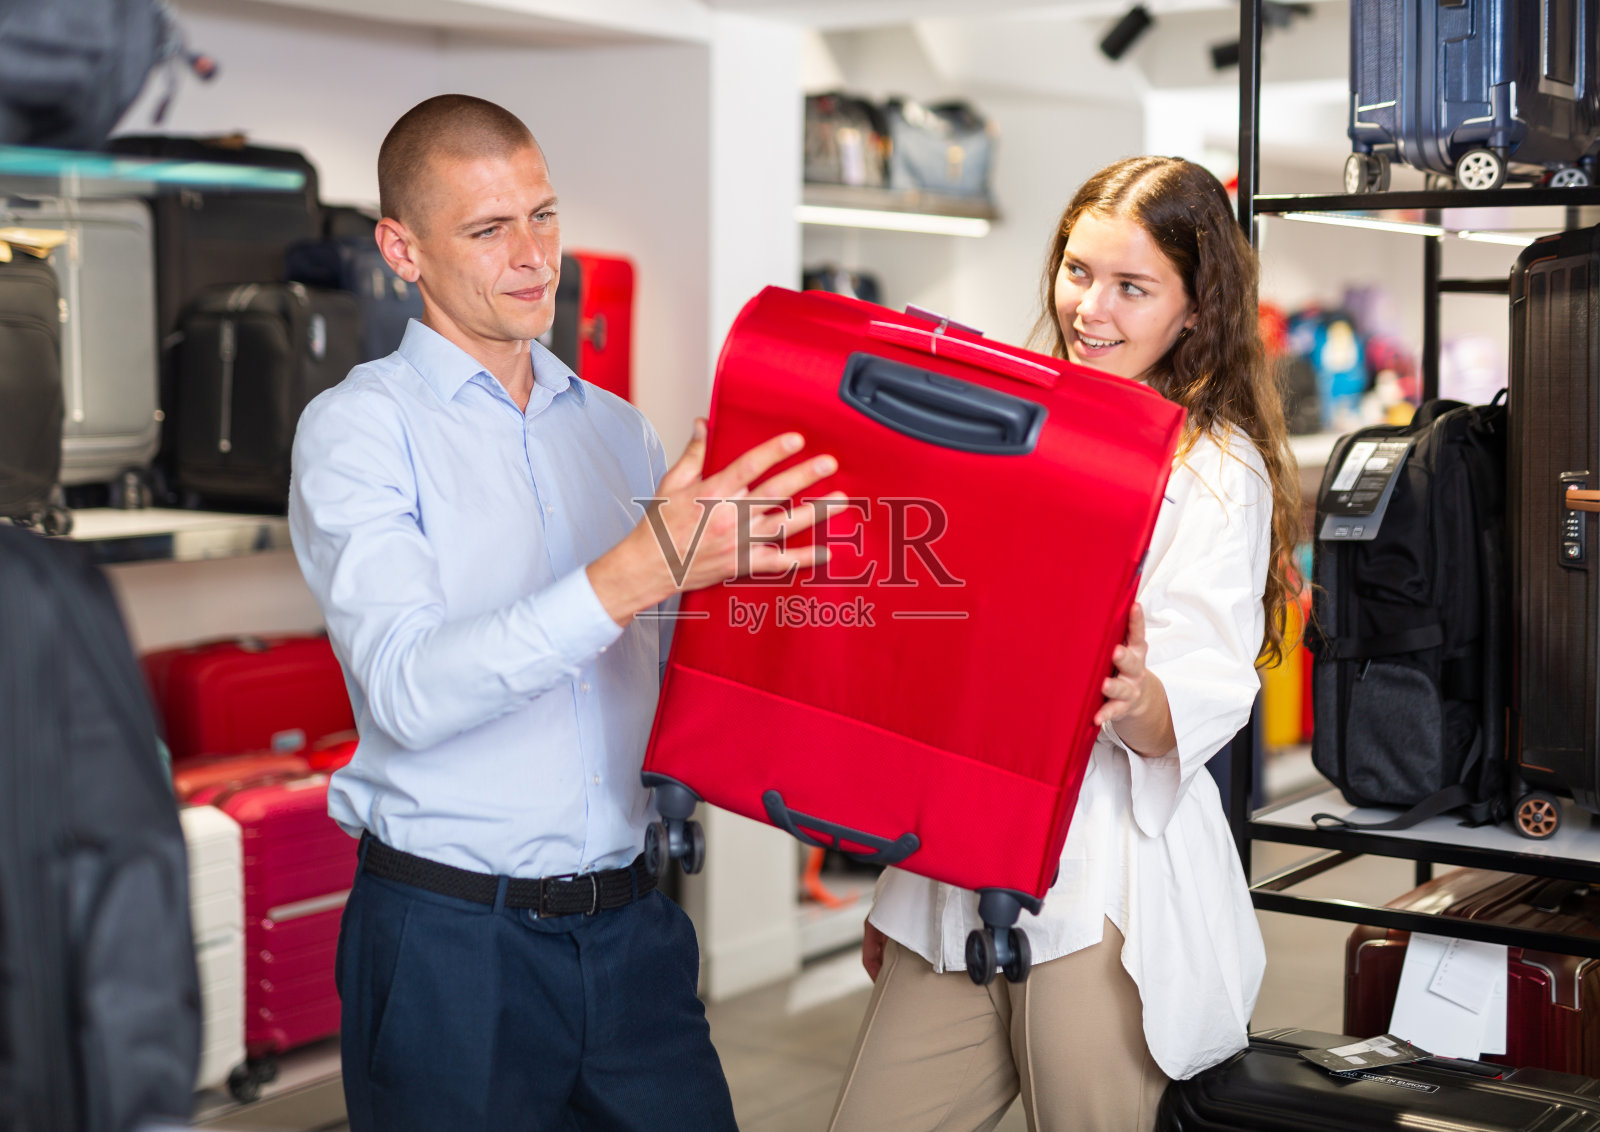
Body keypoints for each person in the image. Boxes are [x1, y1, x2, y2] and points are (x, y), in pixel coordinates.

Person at [288, 94, 839, 1132]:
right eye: (488, 229)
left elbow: (668, 667)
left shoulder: (618, 430)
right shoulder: (358, 431)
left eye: (543, 215)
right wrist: (643, 566)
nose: (533, 256)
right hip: (452, 945)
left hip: (633, 933)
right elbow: (408, 690)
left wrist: (752, 582)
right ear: (401, 250)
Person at [828, 156, 1302, 1132]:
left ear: (1195, 309)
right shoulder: (1011, 423)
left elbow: (1204, 689)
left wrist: (1138, 697)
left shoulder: (1214, 471)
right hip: (952, 873)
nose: (1091, 308)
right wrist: (897, 886)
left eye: (1132, 287)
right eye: (1078, 271)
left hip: (1101, 893)